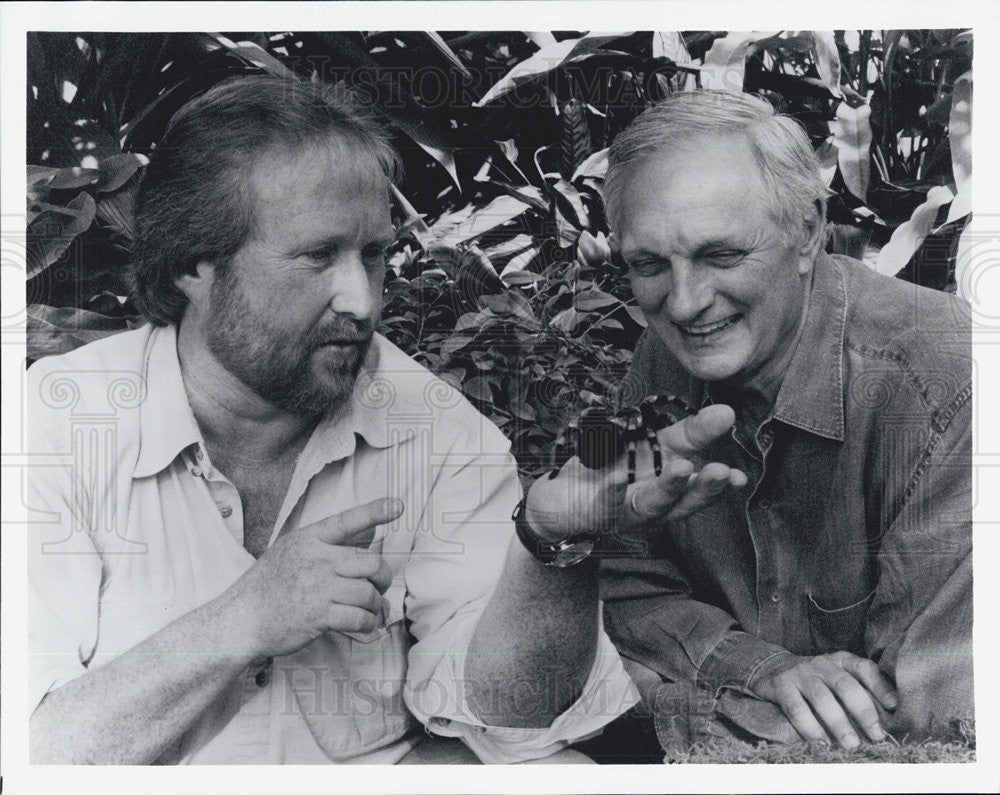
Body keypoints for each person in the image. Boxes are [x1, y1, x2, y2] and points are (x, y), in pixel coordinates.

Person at [26, 75, 743, 765]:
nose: (363, 301)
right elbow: (32, 752)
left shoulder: (433, 427)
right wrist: (243, 619)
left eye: (374, 255)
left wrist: (553, 542)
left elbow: (511, 712)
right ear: (192, 265)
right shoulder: (58, 424)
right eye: (318, 256)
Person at [582, 90, 973, 754]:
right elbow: (619, 583)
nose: (684, 302)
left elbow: (922, 727)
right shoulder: (668, 356)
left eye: (722, 255)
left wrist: (660, 703)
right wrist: (759, 670)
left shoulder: (950, 384)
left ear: (807, 233)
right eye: (649, 264)